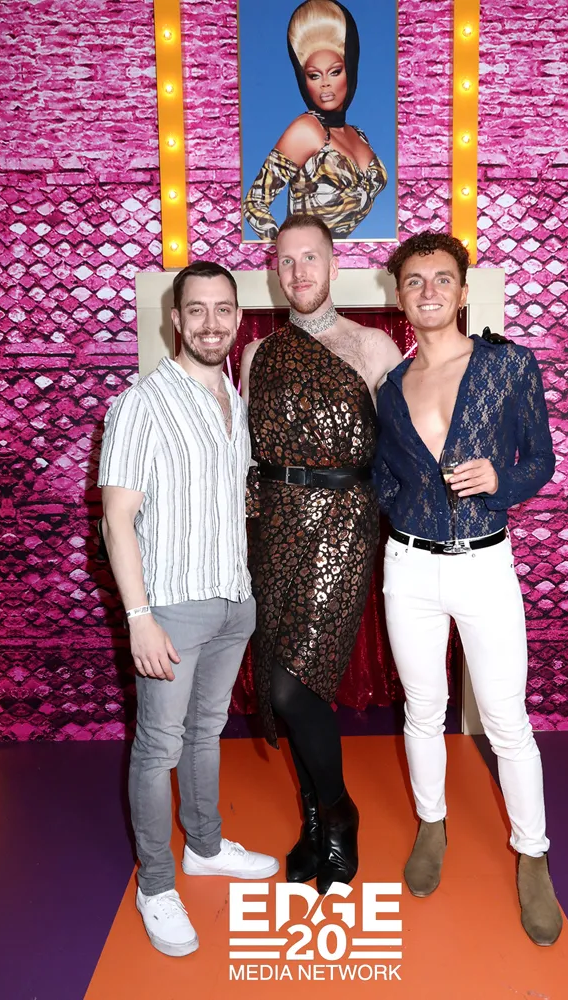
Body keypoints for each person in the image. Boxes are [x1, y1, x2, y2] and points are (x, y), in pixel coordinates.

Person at [374, 232, 562, 946]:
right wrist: (403, 508)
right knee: (422, 708)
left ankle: (533, 856)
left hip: (483, 565)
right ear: (399, 295)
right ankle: (432, 825)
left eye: (441, 278)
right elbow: (383, 475)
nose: (428, 291)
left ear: (461, 290)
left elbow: (540, 459)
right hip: (409, 568)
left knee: (506, 719)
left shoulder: (508, 365)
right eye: (414, 280)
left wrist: (500, 480)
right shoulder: (391, 387)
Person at [98, 261, 279, 958]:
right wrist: (139, 616)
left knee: (207, 732)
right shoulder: (140, 403)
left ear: (238, 318)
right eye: (196, 310)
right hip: (171, 607)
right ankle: (155, 885)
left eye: (222, 309)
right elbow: (117, 519)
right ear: (175, 319)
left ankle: (203, 846)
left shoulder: (234, 399)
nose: (210, 322)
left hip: (234, 600)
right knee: (158, 748)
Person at [240, 213, 402, 893]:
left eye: (310, 258)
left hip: (342, 524)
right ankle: (311, 822)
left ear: (334, 265)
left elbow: (405, 448)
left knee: (292, 686)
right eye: (286, 261)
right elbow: (244, 457)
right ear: (275, 273)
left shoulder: (372, 347)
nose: (298, 271)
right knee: (282, 689)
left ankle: (338, 812)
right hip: (272, 526)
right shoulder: (257, 354)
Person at [243, 0, 387, 241]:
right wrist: (288, 250)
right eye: (313, 75)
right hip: (309, 259)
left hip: (350, 258)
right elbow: (254, 203)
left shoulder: (358, 134)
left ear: (350, 70)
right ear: (304, 80)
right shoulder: (307, 129)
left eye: (335, 71)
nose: (325, 84)